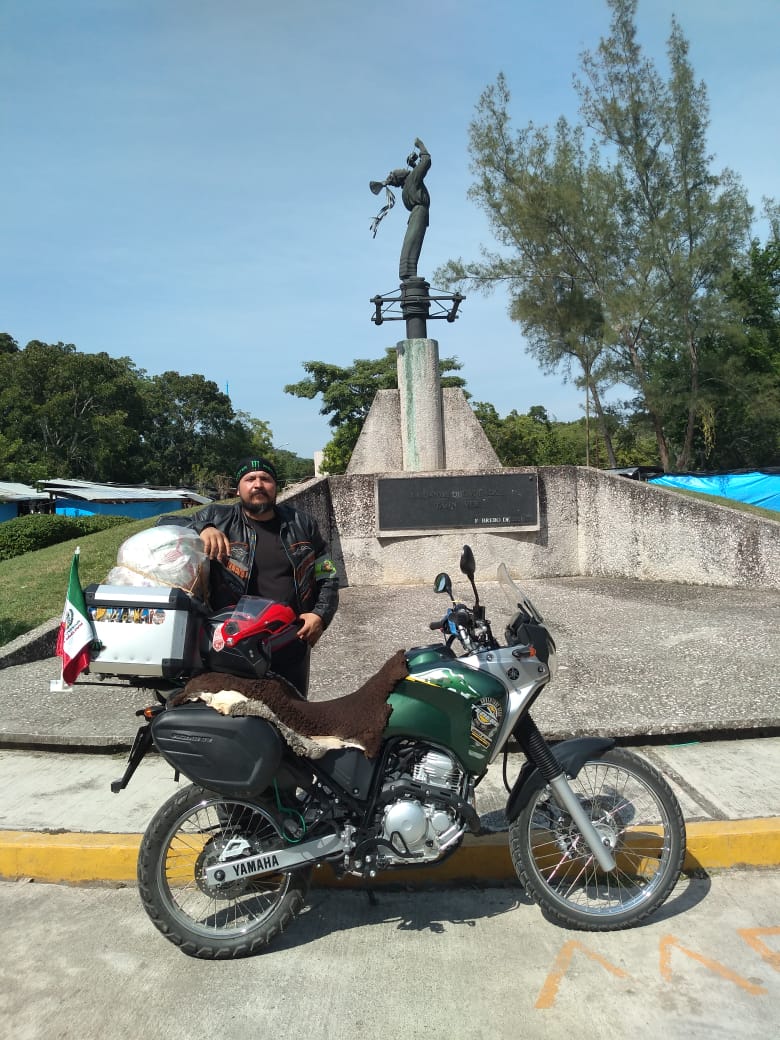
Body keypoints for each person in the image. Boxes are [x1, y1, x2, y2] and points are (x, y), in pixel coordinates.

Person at [182, 456, 339, 697]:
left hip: (289, 640)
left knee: (293, 715)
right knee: (237, 718)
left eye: (265, 478)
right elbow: (168, 525)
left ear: (275, 487)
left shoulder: (302, 523)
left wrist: (320, 614)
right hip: (232, 643)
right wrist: (203, 528)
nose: (258, 484)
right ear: (238, 488)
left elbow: (327, 574)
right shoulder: (218, 518)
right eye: (250, 479)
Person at [369, 137, 431, 281]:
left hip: (417, 214)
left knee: (411, 242)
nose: (402, 169)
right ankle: (409, 273)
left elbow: (417, 178)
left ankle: (408, 273)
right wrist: (420, 146)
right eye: (397, 171)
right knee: (411, 242)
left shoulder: (408, 185)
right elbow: (426, 161)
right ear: (401, 177)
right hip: (419, 213)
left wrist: (414, 165)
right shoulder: (411, 180)